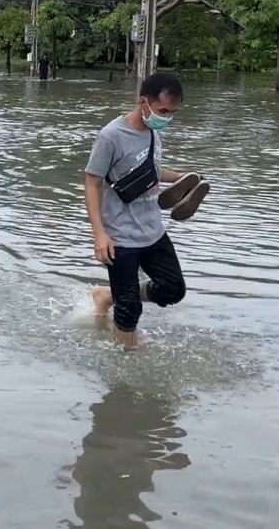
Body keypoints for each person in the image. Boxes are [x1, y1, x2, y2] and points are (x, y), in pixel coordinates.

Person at [83, 72, 210, 350]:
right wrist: (99, 234)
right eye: (163, 110)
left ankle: (107, 296)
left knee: (173, 289)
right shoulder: (111, 136)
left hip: (152, 231)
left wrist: (181, 177)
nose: (167, 117)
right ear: (144, 102)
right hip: (120, 237)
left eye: (172, 112)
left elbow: (149, 171)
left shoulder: (153, 133)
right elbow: (92, 182)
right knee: (129, 311)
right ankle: (126, 372)